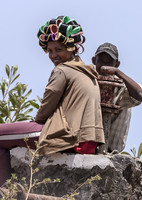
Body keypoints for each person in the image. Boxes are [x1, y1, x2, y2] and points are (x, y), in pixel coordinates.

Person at [0, 16, 105, 185]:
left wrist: (33, 122)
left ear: (71, 48)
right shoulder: (85, 71)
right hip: (87, 141)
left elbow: (43, 113)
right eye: (50, 51)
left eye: (59, 49)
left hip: (65, 135)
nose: (53, 55)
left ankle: (5, 192)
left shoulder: (63, 70)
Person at [92, 43, 142, 153]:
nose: (104, 67)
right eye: (101, 61)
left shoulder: (121, 86)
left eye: (109, 62)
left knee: (126, 103)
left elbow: (138, 96)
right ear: (94, 61)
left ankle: (107, 147)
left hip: (111, 149)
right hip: (89, 144)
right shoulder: (88, 80)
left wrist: (118, 72)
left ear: (117, 64)